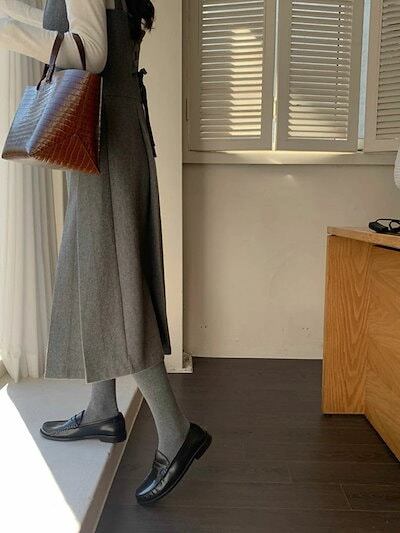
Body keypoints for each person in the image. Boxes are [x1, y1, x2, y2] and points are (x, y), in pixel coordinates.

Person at [0, 0, 211, 505]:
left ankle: (176, 431)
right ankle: (101, 410)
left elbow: (90, 53)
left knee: (115, 287)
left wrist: (5, 31)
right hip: (107, 133)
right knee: (99, 272)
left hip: (105, 139)